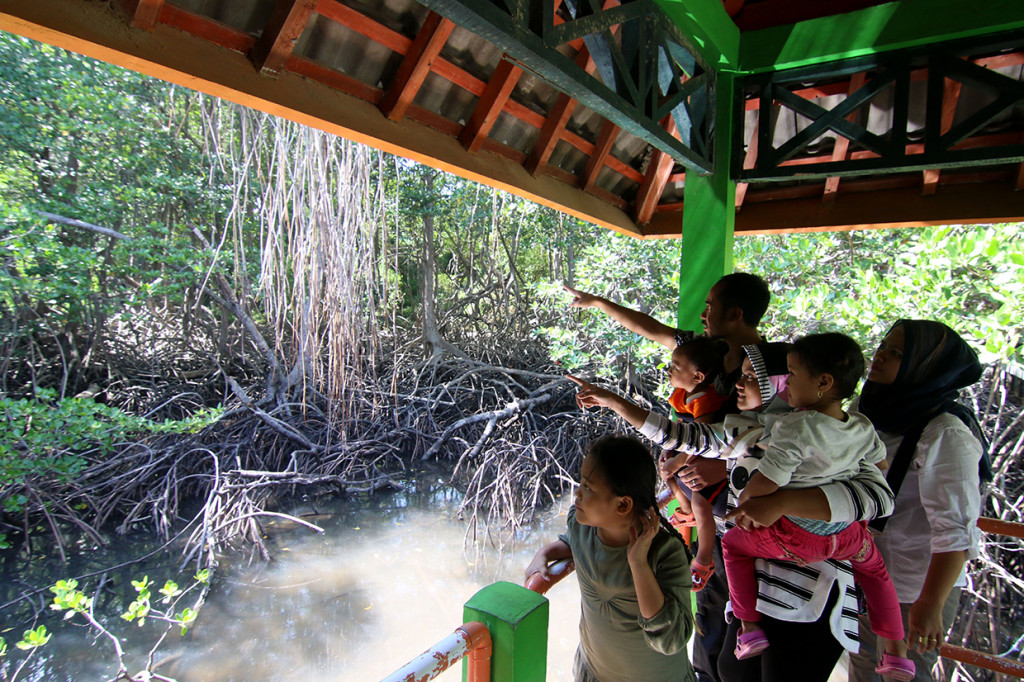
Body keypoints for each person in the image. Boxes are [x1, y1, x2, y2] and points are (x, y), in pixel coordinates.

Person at [631, 342, 898, 682]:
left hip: (812, 590)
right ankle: (895, 647)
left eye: (750, 377)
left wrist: (779, 502)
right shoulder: (752, 433)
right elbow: (685, 436)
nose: (738, 385)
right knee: (731, 668)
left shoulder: (799, 433)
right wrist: (618, 404)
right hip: (761, 581)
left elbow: (879, 499)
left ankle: (893, 646)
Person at [566, 272, 770, 682]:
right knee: (708, 607)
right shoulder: (699, 349)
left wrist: (724, 466)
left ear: (736, 314)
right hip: (697, 489)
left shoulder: (764, 370)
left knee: (731, 604)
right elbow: (650, 328)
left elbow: (778, 446)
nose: (703, 313)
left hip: (740, 510)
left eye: (710, 306)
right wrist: (600, 303)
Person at [719, 333, 913, 680]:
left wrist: (755, 501)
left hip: (797, 538)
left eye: (791, 374)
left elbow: (768, 484)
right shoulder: (862, 426)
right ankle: (896, 650)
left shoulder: (795, 427)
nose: (787, 382)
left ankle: (748, 626)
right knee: (876, 572)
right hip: (847, 537)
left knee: (733, 544)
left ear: (823, 382)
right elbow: (880, 469)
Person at [848, 320, 985, 682]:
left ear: (923, 367)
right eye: (883, 345)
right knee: (863, 671)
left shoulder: (945, 432)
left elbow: (955, 528)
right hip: (865, 575)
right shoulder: (869, 409)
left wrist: (931, 603)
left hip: (913, 587)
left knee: (901, 676)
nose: (881, 356)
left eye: (898, 353)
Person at [525, 436, 696, 682]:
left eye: (588, 487)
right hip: (596, 672)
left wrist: (638, 563)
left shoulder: (665, 553)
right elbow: (574, 543)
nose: (577, 494)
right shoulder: (582, 525)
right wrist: (545, 554)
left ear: (623, 505)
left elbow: (670, 640)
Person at [568, 336, 727, 592]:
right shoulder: (680, 395)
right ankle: (686, 512)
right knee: (667, 476)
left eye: (675, 366)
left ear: (697, 377)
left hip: (706, 458)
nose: (668, 369)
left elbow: (700, 439)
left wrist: (677, 460)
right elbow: (677, 429)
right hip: (685, 452)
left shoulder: (705, 401)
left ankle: (704, 558)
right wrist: (668, 454)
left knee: (700, 501)